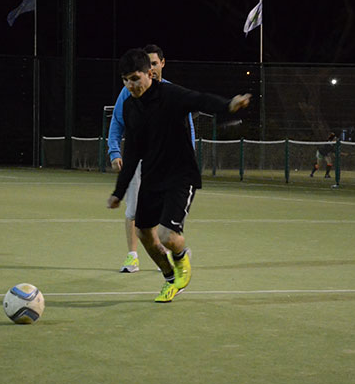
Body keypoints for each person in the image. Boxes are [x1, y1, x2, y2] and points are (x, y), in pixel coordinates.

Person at [106, 48, 250, 302]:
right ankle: (170, 278)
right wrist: (119, 192)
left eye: (136, 78)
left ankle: (183, 261)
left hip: (180, 175)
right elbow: (133, 153)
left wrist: (228, 105)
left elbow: (200, 99)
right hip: (152, 177)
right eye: (126, 80)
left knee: (167, 236)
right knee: (144, 234)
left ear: (150, 73)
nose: (131, 85)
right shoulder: (130, 107)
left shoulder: (170, 94)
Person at [107, 44, 195, 273]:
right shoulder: (130, 90)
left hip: (169, 163)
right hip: (140, 161)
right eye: (149, 64)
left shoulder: (172, 93)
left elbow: (188, 128)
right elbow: (117, 122)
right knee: (134, 211)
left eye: (155, 63)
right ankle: (132, 256)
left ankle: (167, 252)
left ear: (161, 64)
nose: (153, 68)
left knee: (164, 213)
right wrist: (114, 152)